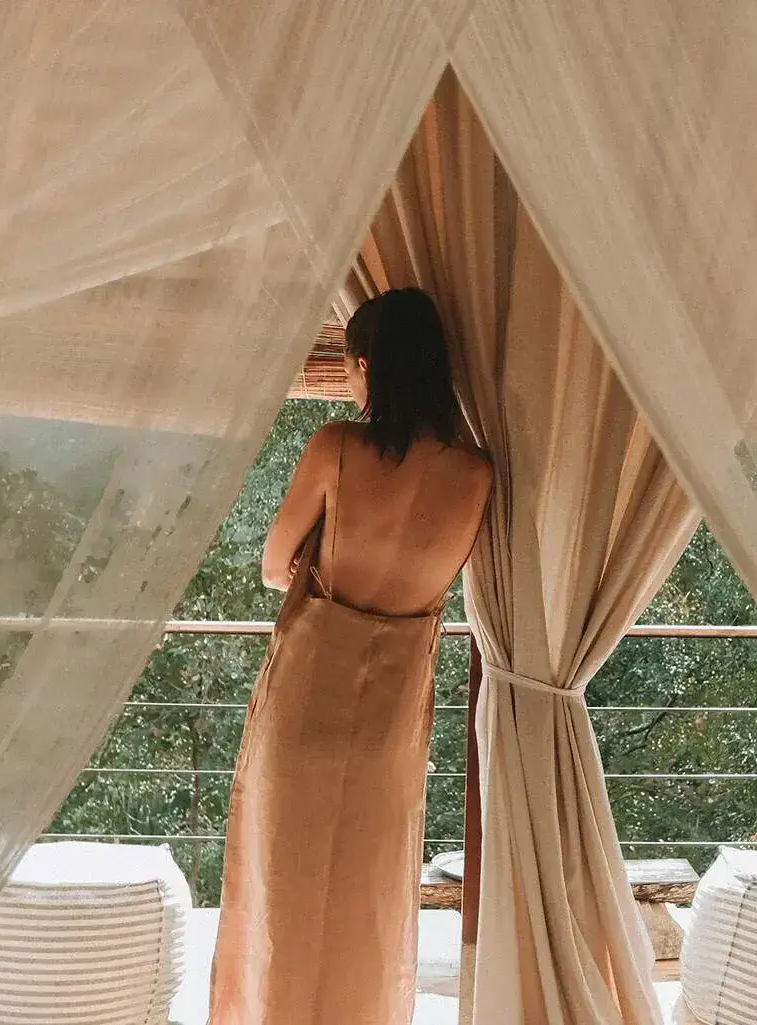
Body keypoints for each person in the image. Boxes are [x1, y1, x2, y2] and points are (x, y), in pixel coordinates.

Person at [209, 288, 492, 1024]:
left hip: (311, 685)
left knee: (281, 879)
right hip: (390, 712)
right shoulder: (478, 474)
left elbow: (276, 564)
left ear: (366, 365)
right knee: (366, 894)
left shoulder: (336, 447)